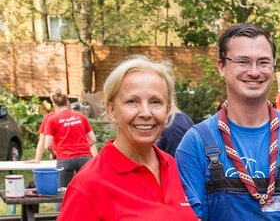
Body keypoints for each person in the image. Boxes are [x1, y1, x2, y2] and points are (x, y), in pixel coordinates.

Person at [175, 23, 280, 220]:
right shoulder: (197, 141)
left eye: (263, 62)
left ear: (273, 66)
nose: (254, 72)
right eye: (243, 62)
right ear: (221, 66)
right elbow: (193, 216)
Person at [59, 55, 196, 219]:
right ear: (111, 110)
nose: (146, 113)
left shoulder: (172, 166)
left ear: (167, 109)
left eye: (155, 102)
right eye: (132, 101)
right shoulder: (89, 184)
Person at [27, 90, 97, 188]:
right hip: (84, 158)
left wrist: (53, 153)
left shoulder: (52, 119)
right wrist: (84, 148)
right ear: (67, 101)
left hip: (65, 159)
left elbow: (47, 145)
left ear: (54, 104)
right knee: (88, 189)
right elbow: (93, 140)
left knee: (62, 193)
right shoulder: (81, 117)